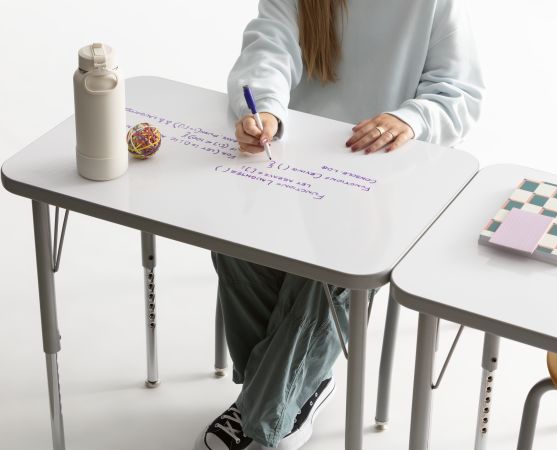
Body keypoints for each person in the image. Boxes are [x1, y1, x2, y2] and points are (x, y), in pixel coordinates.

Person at [196, 0, 484, 449]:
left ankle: (263, 416)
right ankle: (286, 394)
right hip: (295, 158)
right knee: (234, 241)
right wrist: (266, 110)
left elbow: (458, 93)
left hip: (384, 175)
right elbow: (268, 49)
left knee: (329, 265)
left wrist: (409, 119)